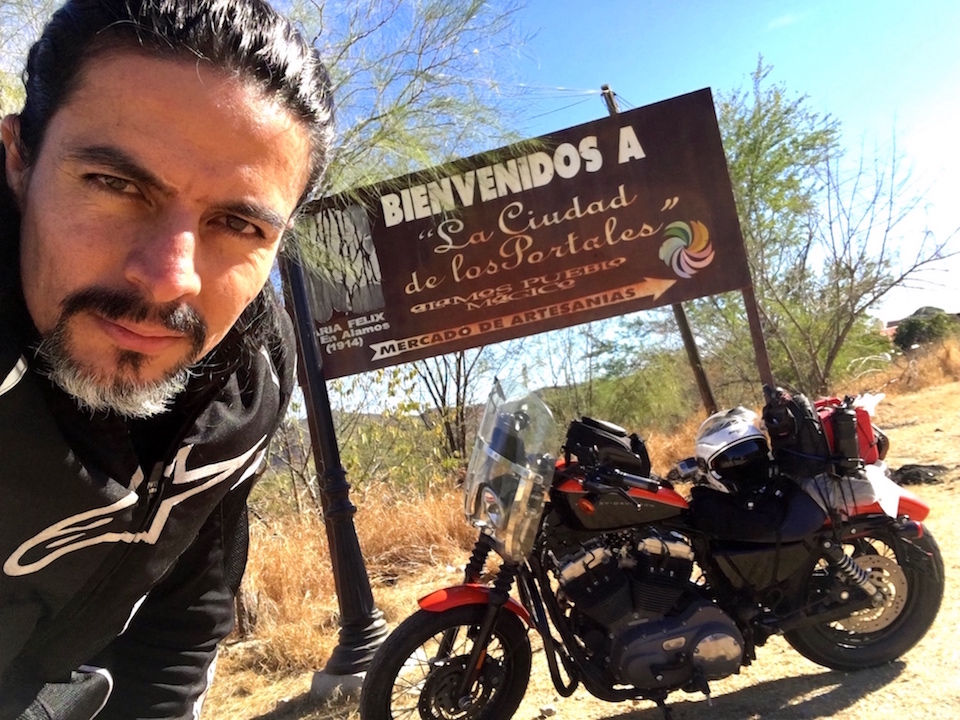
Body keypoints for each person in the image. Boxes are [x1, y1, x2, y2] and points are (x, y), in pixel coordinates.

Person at [0, 1, 334, 717]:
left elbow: (183, 620)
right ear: (18, 159)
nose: (168, 278)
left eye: (237, 223)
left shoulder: (252, 378)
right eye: (115, 185)